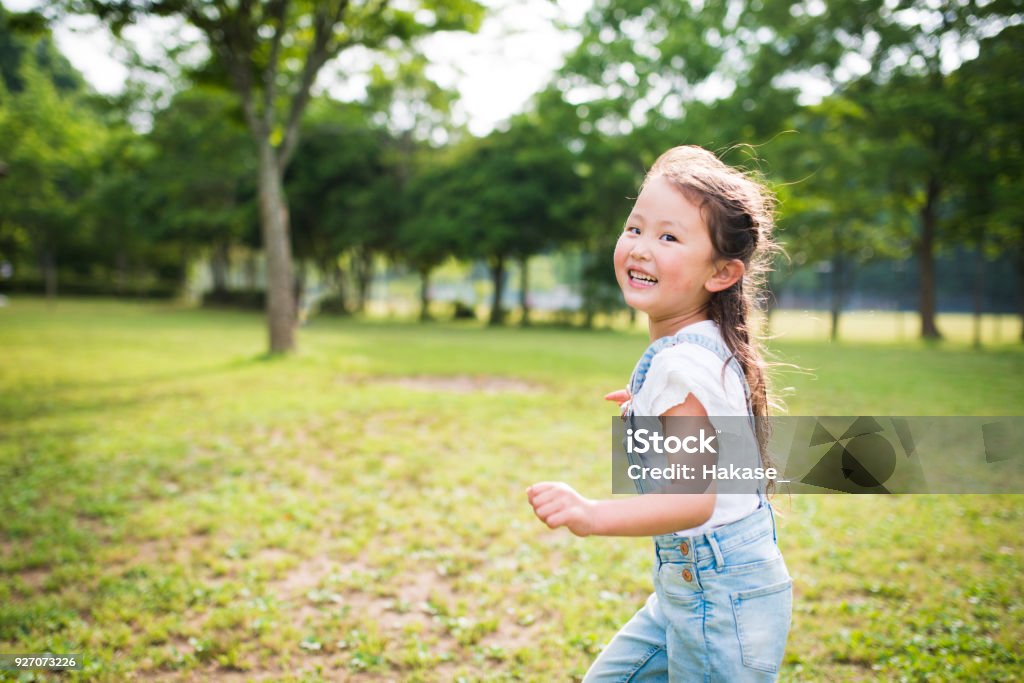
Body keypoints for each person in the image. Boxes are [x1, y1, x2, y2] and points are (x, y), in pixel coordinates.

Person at [527, 145, 792, 681]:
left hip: (718, 599)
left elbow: (691, 502)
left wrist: (590, 514)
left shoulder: (684, 364)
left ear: (721, 273)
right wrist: (649, 409)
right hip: (696, 590)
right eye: (636, 228)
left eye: (669, 237)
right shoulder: (703, 344)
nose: (642, 248)